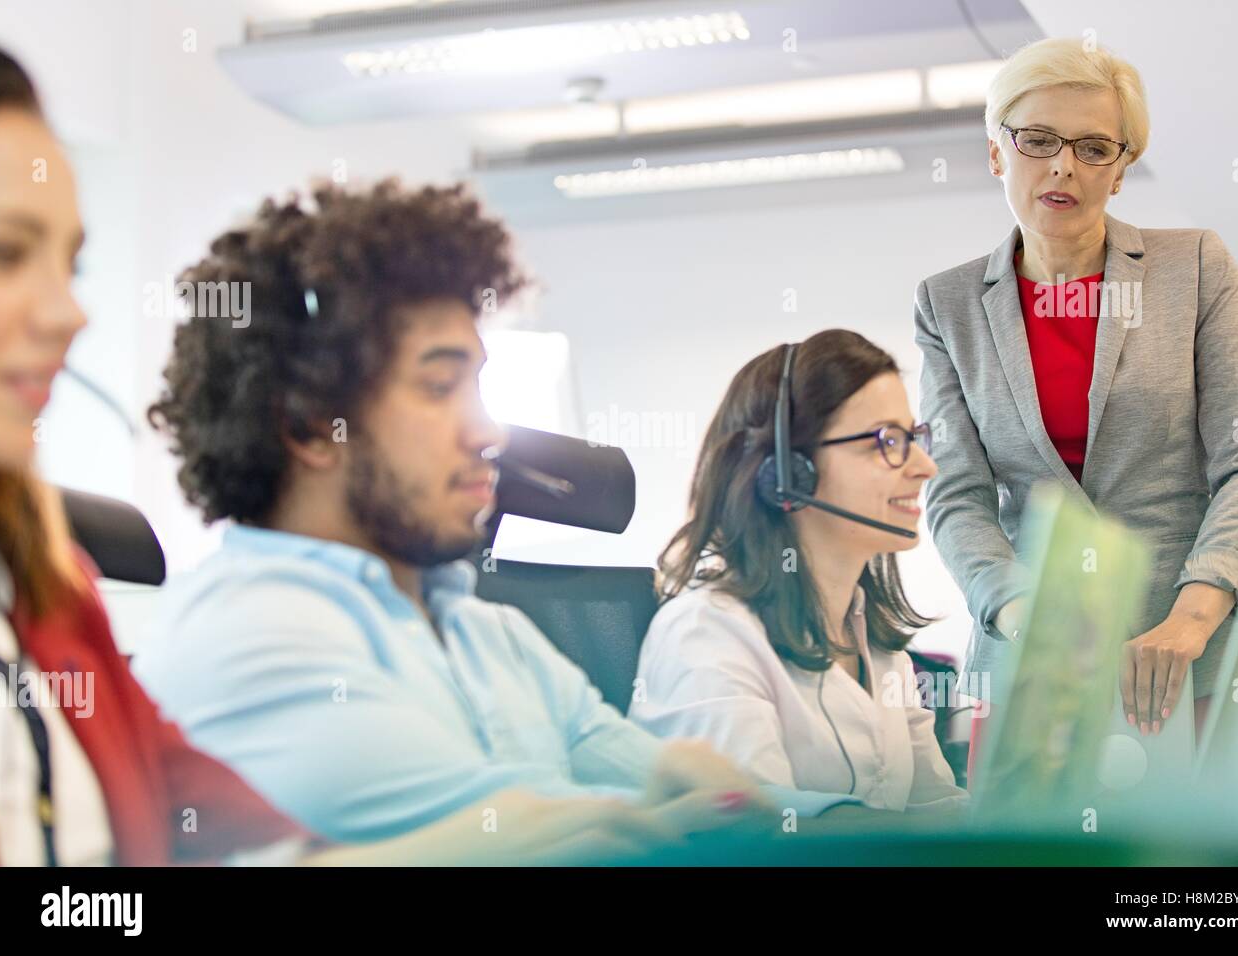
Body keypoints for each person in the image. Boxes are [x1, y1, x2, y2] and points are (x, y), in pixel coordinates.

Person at [0, 44, 745, 867]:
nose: (71, 314)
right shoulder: (248, 637)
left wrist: (734, 810)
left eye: (74, 266)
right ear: (313, 425)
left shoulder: (55, 603)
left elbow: (258, 855)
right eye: (5, 253)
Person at [134, 177, 861, 845]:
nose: (489, 434)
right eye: (439, 387)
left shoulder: (487, 631)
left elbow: (671, 782)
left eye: (477, 387)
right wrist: (706, 823)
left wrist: (860, 826)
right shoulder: (247, 636)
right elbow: (524, 841)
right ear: (307, 428)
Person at [913, 37, 1238, 781]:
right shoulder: (946, 304)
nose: (1063, 167)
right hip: (1033, 670)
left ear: (1120, 170)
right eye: (1039, 140)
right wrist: (1029, 619)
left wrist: (1190, 619)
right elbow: (956, 495)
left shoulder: (1196, 267)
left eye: (1093, 148)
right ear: (998, 154)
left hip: (1196, 660)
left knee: (1192, 893)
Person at [631, 330, 968, 814]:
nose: (924, 467)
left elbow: (937, 808)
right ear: (789, 474)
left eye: (914, 439)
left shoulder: (877, 643)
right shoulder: (706, 635)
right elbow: (756, 840)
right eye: (888, 441)